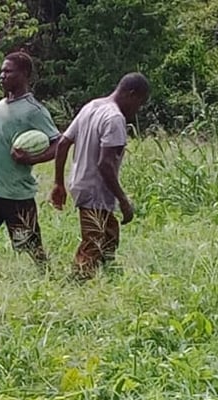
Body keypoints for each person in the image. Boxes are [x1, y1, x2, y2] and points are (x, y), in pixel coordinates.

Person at [0, 52, 60, 264]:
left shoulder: (35, 111)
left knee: (32, 254)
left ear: (24, 74)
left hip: (16, 196)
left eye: (8, 71)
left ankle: (44, 286)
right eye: (1, 71)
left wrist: (32, 158)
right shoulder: (0, 106)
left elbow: (58, 144)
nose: (2, 76)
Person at [50, 73, 150, 279]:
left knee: (110, 234)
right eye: (139, 104)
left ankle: (108, 276)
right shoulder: (114, 118)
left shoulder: (91, 106)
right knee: (93, 243)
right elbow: (105, 164)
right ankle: (75, 285)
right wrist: (123, 200)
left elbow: (62, 143)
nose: (137, 111)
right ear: (131, 94)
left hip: (82, 184)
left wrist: (59, 182)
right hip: (95, 189)